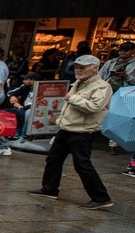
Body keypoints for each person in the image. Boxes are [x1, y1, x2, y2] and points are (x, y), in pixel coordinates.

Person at [27, 55, 114, 209]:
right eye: (76, 67)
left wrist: (73, 98)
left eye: (83, 67)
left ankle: (101, 197)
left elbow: (94, 107)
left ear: (95, 68)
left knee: (82, 164)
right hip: (67, 128)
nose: (78, 70)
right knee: (53, 159)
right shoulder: (79, 83)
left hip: (83, 130)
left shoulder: (102, 86)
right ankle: (49, 189)